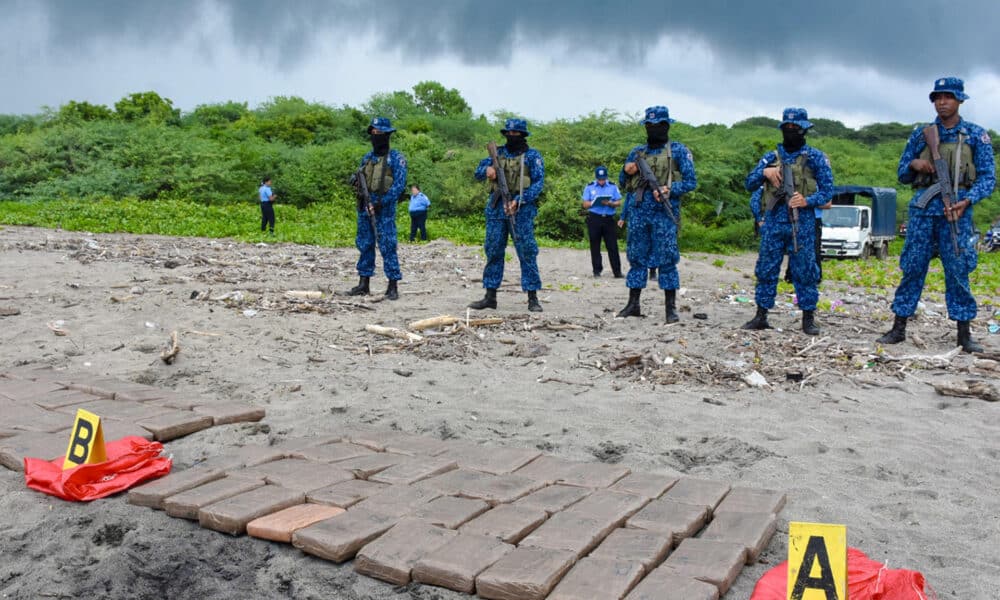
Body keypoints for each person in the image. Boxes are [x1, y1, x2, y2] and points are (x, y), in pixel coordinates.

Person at [876, 77, 995, 353]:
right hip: (922, 212)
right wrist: (916, 163)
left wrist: (967, 200)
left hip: (956, 213)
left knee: (958, 271)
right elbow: (903, 173)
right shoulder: (921, 133)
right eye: (937, 98)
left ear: (960, 100)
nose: (942, 102)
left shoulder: (976, 135)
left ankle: (964, 334)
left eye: (948, 97)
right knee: (912, 268)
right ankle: (898, 328)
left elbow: (988, 179)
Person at [742, 107, 834, 335]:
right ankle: (761, 315)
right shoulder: (770, 157)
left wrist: (807, 200)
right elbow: (749, 183)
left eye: (796, 128)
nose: (791, 131)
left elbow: (828, 192)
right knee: (766, 269)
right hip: (773, 221)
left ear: (805, 130)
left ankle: (808, 319)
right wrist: (766, 172)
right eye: (787, 128)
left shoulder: (815, 157)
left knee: (805, 271)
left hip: (801, 222)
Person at [616, 105, 697, 322]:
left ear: (667, 125)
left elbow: (691, 182)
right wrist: (626, 171)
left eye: (658, 125)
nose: (653, 129)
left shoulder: (679, 151)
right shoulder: (636, 152)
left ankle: (670, 309)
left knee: (667, 259)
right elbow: (623, 184)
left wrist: (671, 190)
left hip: (664, 213)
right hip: (639, 211)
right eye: (649, 125)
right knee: (636, 257)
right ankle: (633, 304)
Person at [468, 117, 545, 312]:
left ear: (522, 135)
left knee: (526, 251)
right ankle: (490, 296)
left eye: (515, 134)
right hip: (496, 208)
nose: (511, 136)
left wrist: (520, 200)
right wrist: (488, 170)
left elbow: (538, 183)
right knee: (493, 249)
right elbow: (477, 173)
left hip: (522, 210)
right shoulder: (498, 153)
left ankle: (532, 297)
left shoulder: (532, 156)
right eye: (508, 133)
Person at [346, 116, 407, 301]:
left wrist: (383, 202)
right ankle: (364, 283)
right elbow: (360, 177)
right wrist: (355, 181)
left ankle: (392, 285)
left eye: (379, 133)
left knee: (388, 245)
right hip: (365, 205)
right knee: (364, 243)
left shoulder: (396, 158)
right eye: (373, 133)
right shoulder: (368, 158)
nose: (375, 136)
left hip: (384, 208)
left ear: (387, 134)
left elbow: (399, 185)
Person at [581, 165, 623, 277]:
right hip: (595, 218)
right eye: (599, 179)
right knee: (595, 245)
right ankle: (596, 270)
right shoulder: (589, 187)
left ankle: (617, 271)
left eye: (603, 179)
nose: (601, 181)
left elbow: (619, 202)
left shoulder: (613, 187)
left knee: (612, 246)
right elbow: (585, 204)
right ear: (596, 178)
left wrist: (611, 203)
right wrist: (595, 202)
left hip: (609, 219)